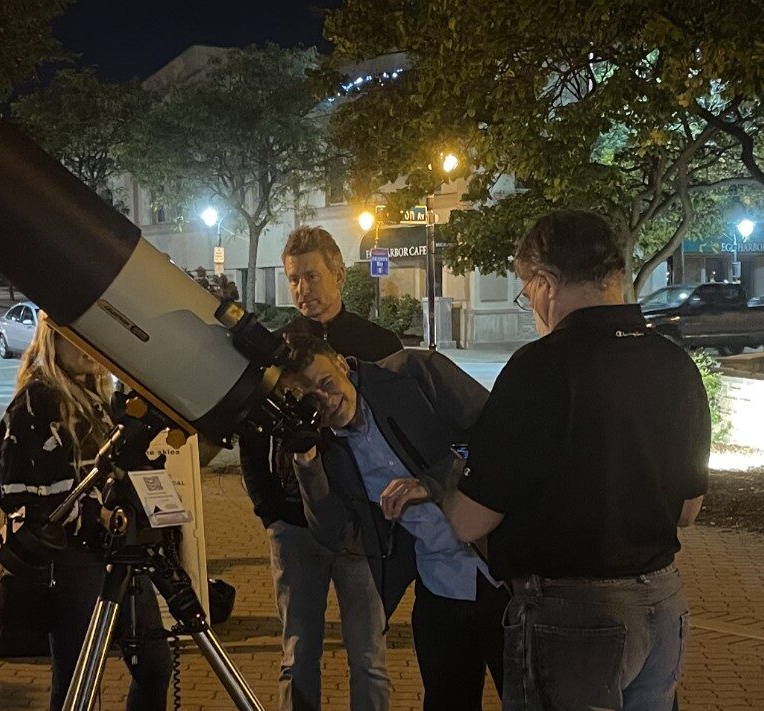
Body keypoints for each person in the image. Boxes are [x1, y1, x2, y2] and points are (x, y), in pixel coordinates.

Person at [390, 210, 709, 711]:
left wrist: (445, 484)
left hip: (572, 614)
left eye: (526, 289)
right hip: (662, 604)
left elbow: (470, 520)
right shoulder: (674, 362)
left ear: (545, 282)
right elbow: (688, 510)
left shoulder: (538, 368)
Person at [281, 334, 508, 711]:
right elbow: (338, 534)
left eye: (326, 383)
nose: (326, 401)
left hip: (502, 575)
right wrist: (307, 462)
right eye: (310, 398)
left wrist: (433, 483)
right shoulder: (327, 447)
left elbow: (497, 434)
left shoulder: (414, 373)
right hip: (439, 586)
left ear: (341, 362)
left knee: (525, 698)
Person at [239, 225, 401, 710]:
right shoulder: (272, 350)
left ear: (338, 273)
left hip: (360, 526)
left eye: (311, 276)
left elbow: (398, 427)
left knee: (369, 657)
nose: (302, 289)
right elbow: (250, 434)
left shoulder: (378, 343)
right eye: (293, 279)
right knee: (297, 653)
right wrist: (268, 508)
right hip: (293, 526)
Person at [0, 314, 172, 711]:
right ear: (53, 340)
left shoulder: (96, 399)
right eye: (78, 339)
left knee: (156, 665)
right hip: (75, 560)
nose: (90, 348)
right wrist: (95, 516)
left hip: (120, 552)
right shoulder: (37, 401)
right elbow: (19, 490)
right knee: (77, 682)